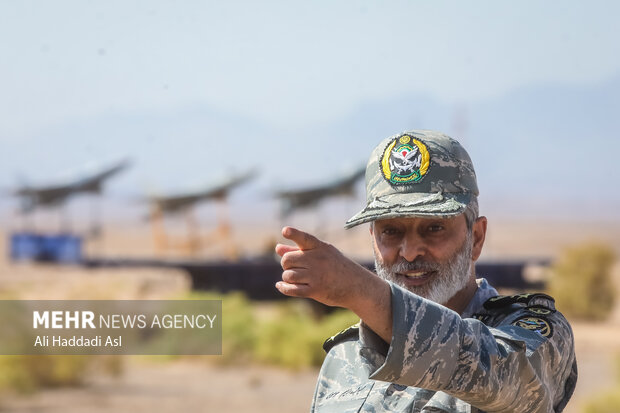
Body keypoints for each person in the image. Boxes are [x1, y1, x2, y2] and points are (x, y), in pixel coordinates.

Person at [275, 130, 577, 413]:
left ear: (477, 237)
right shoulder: (344, 359)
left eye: (434, 228)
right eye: (391, 231)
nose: (409, 252)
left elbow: (501, 378)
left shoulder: (531, 333)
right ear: (372, 239)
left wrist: (363, 292)